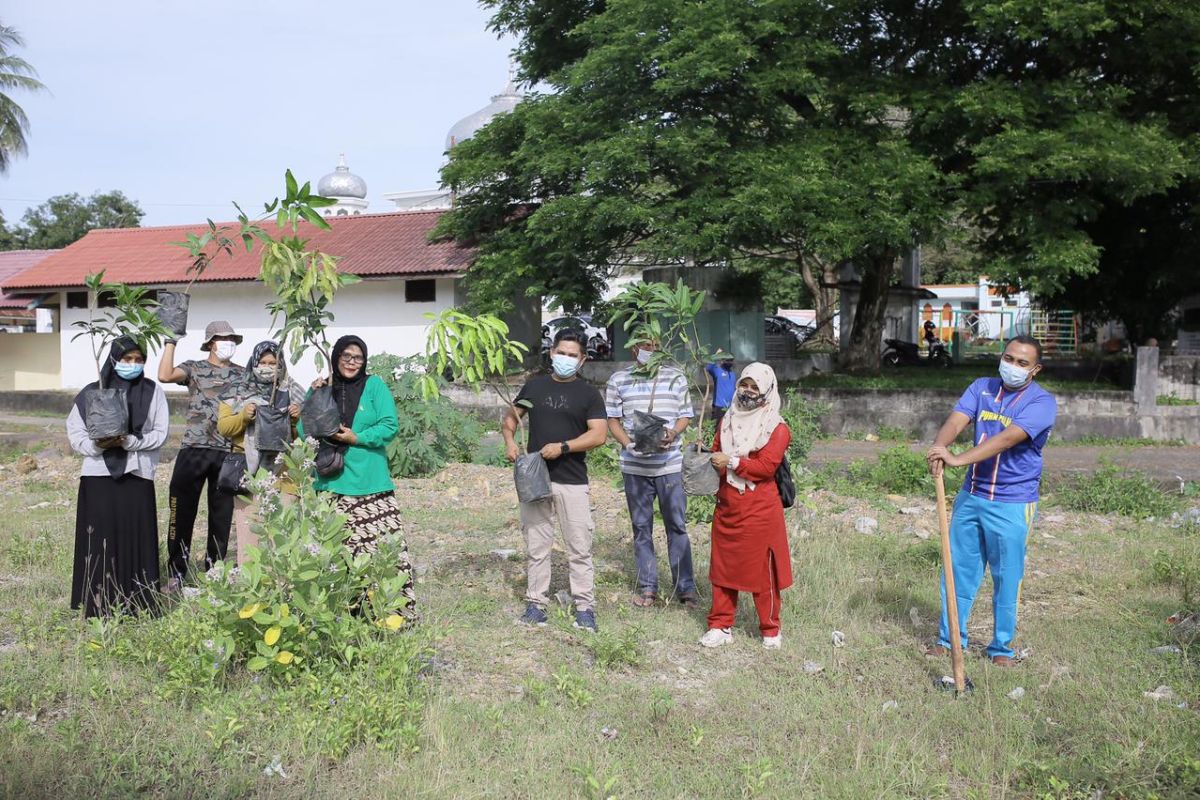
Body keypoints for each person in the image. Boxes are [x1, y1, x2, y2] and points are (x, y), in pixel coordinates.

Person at [925, 335, 1057, 667]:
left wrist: (959, 459)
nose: (1012, 366)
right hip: (973, 496)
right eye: (1009, 358)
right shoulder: (981, 387)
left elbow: (1007, 439)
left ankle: (1001, 648)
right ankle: (950, 637)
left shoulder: (1041, 403)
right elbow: (957, 420)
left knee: (1006, 576)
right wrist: (940, 448)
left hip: (1013, 502)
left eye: (1022, 363)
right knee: (959, 572)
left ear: (1035, 369)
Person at [302, 335, 416, 620]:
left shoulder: (374, 386)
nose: (352, 363)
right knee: (337, 558)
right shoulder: (321, 387)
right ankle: (344, 619)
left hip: (371, 486)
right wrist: (316, 397)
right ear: (335, 357)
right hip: (331, 484)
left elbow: (390, 426)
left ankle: (392, 616)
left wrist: (358, 437)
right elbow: (304, 428)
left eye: (358, 358)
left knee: (385, 556)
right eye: (346, 357)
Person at [504, 329, 609, 631]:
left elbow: (598, 435)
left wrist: (564, 447)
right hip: (535, 478)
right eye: (560, 353)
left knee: (579, 546)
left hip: (572, 480)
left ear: (583, 359)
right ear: (551, 354)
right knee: (537, 544)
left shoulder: (588, 394)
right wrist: (510, 441)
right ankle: (536, 604)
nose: (565, 359)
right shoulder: (534, 387)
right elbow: (511, 418)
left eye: (572, 355)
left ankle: (585, 608)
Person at [67, 337, 170, 617]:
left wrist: (130, 442)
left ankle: (140, 603)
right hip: (98, 476)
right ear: (113, 359)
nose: (133, 365)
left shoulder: (152, 391)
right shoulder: (92, 392)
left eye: (139, 360)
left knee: (136, 536)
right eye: (127, 359)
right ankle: (98, 604)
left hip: (137, 473)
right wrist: (97, 446)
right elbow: (76, 434)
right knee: (100, 538)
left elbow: (161, 433)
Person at [699, 363, 793, 649]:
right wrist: (707, 454)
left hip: (759, 508)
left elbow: (765, 467)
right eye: (744, 385)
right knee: (723, 567)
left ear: (767, 390)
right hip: (728, 504)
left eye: (755, 387)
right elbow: (718, 449)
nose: (748, 392)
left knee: (763, 571)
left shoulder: (776, 427)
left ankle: (770, 629)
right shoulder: (727, 419)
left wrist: (733, 462)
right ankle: (720, 625)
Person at [605, 339, 698, 608]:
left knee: (677, 526)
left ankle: (686, 587)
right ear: (632, 348)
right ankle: (648, 587)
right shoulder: (619, 379)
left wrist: (673, 433)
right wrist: (627, 444)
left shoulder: (676, 378)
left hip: (670, 466)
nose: (650, 350)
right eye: (644, 345)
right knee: (641, 527)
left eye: (655, 344)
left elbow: (685, 415)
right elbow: (612, 419)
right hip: (635, 468)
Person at [158, 321, 245, 588]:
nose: (227, 342)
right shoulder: (194, 368)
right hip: (193, 450)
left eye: (231, 338)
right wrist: (170, 341)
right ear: (210, 343)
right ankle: (176, 571)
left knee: (221, 516)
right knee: (181, 512)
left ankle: (215, 571)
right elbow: (165, 375)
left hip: (227, 453)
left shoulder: (243, 373)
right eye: (222, 338)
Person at [216, 341, 303, 565]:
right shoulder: (237, 390)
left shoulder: (292, 390)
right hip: (249, 474)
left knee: (282, 537)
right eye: (262, 362)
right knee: (250, 538)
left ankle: (281, 592)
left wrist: (295, 420)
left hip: (283, 474)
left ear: (281, 364)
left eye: (273, 363)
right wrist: (244, 416)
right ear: (254, 363)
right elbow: (224, 428)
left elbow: (304, 435)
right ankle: (251, 592)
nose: (267, 367)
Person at [704, 356, 737, 427]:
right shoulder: (717, 371)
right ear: (722, 361)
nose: (729, 362)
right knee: (715, 427)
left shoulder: (732, 374)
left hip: (730, 406)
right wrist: (716, 355)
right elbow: (708, 367)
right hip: (719, 406)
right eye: (727, 360)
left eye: (731, 360)